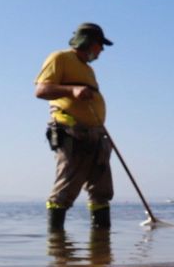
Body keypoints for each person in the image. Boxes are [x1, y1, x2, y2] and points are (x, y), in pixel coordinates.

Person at [35, 22, 114, 230]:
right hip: (71, 133)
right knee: (65, 189)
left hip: (96, 134)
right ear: (88, 42)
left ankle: (101, 252)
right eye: (100, 45)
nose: (102, 50)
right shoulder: (59, 58)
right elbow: (41, 90)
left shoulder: (88, 70)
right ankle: (57, 248)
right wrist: (72, 91)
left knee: (101, 191)